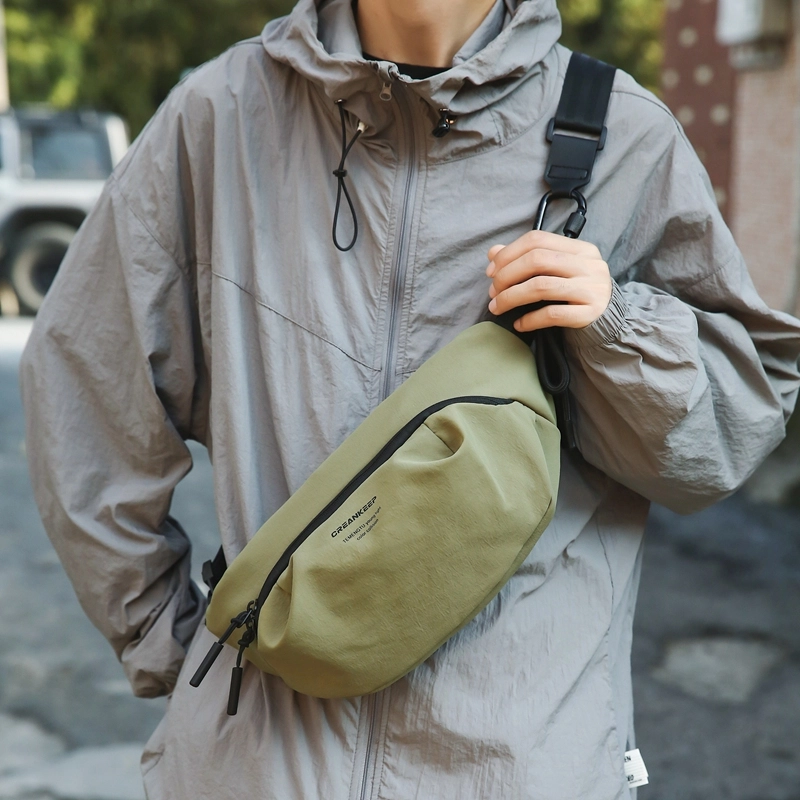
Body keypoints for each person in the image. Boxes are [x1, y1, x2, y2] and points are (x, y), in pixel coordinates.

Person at [20, 0, 800, 797]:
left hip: (520, 770)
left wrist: (616, 326)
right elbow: (86, 392)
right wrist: (180, 652)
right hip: (257, 769)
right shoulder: (221, 118)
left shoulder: (625, 136)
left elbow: (733, 429)